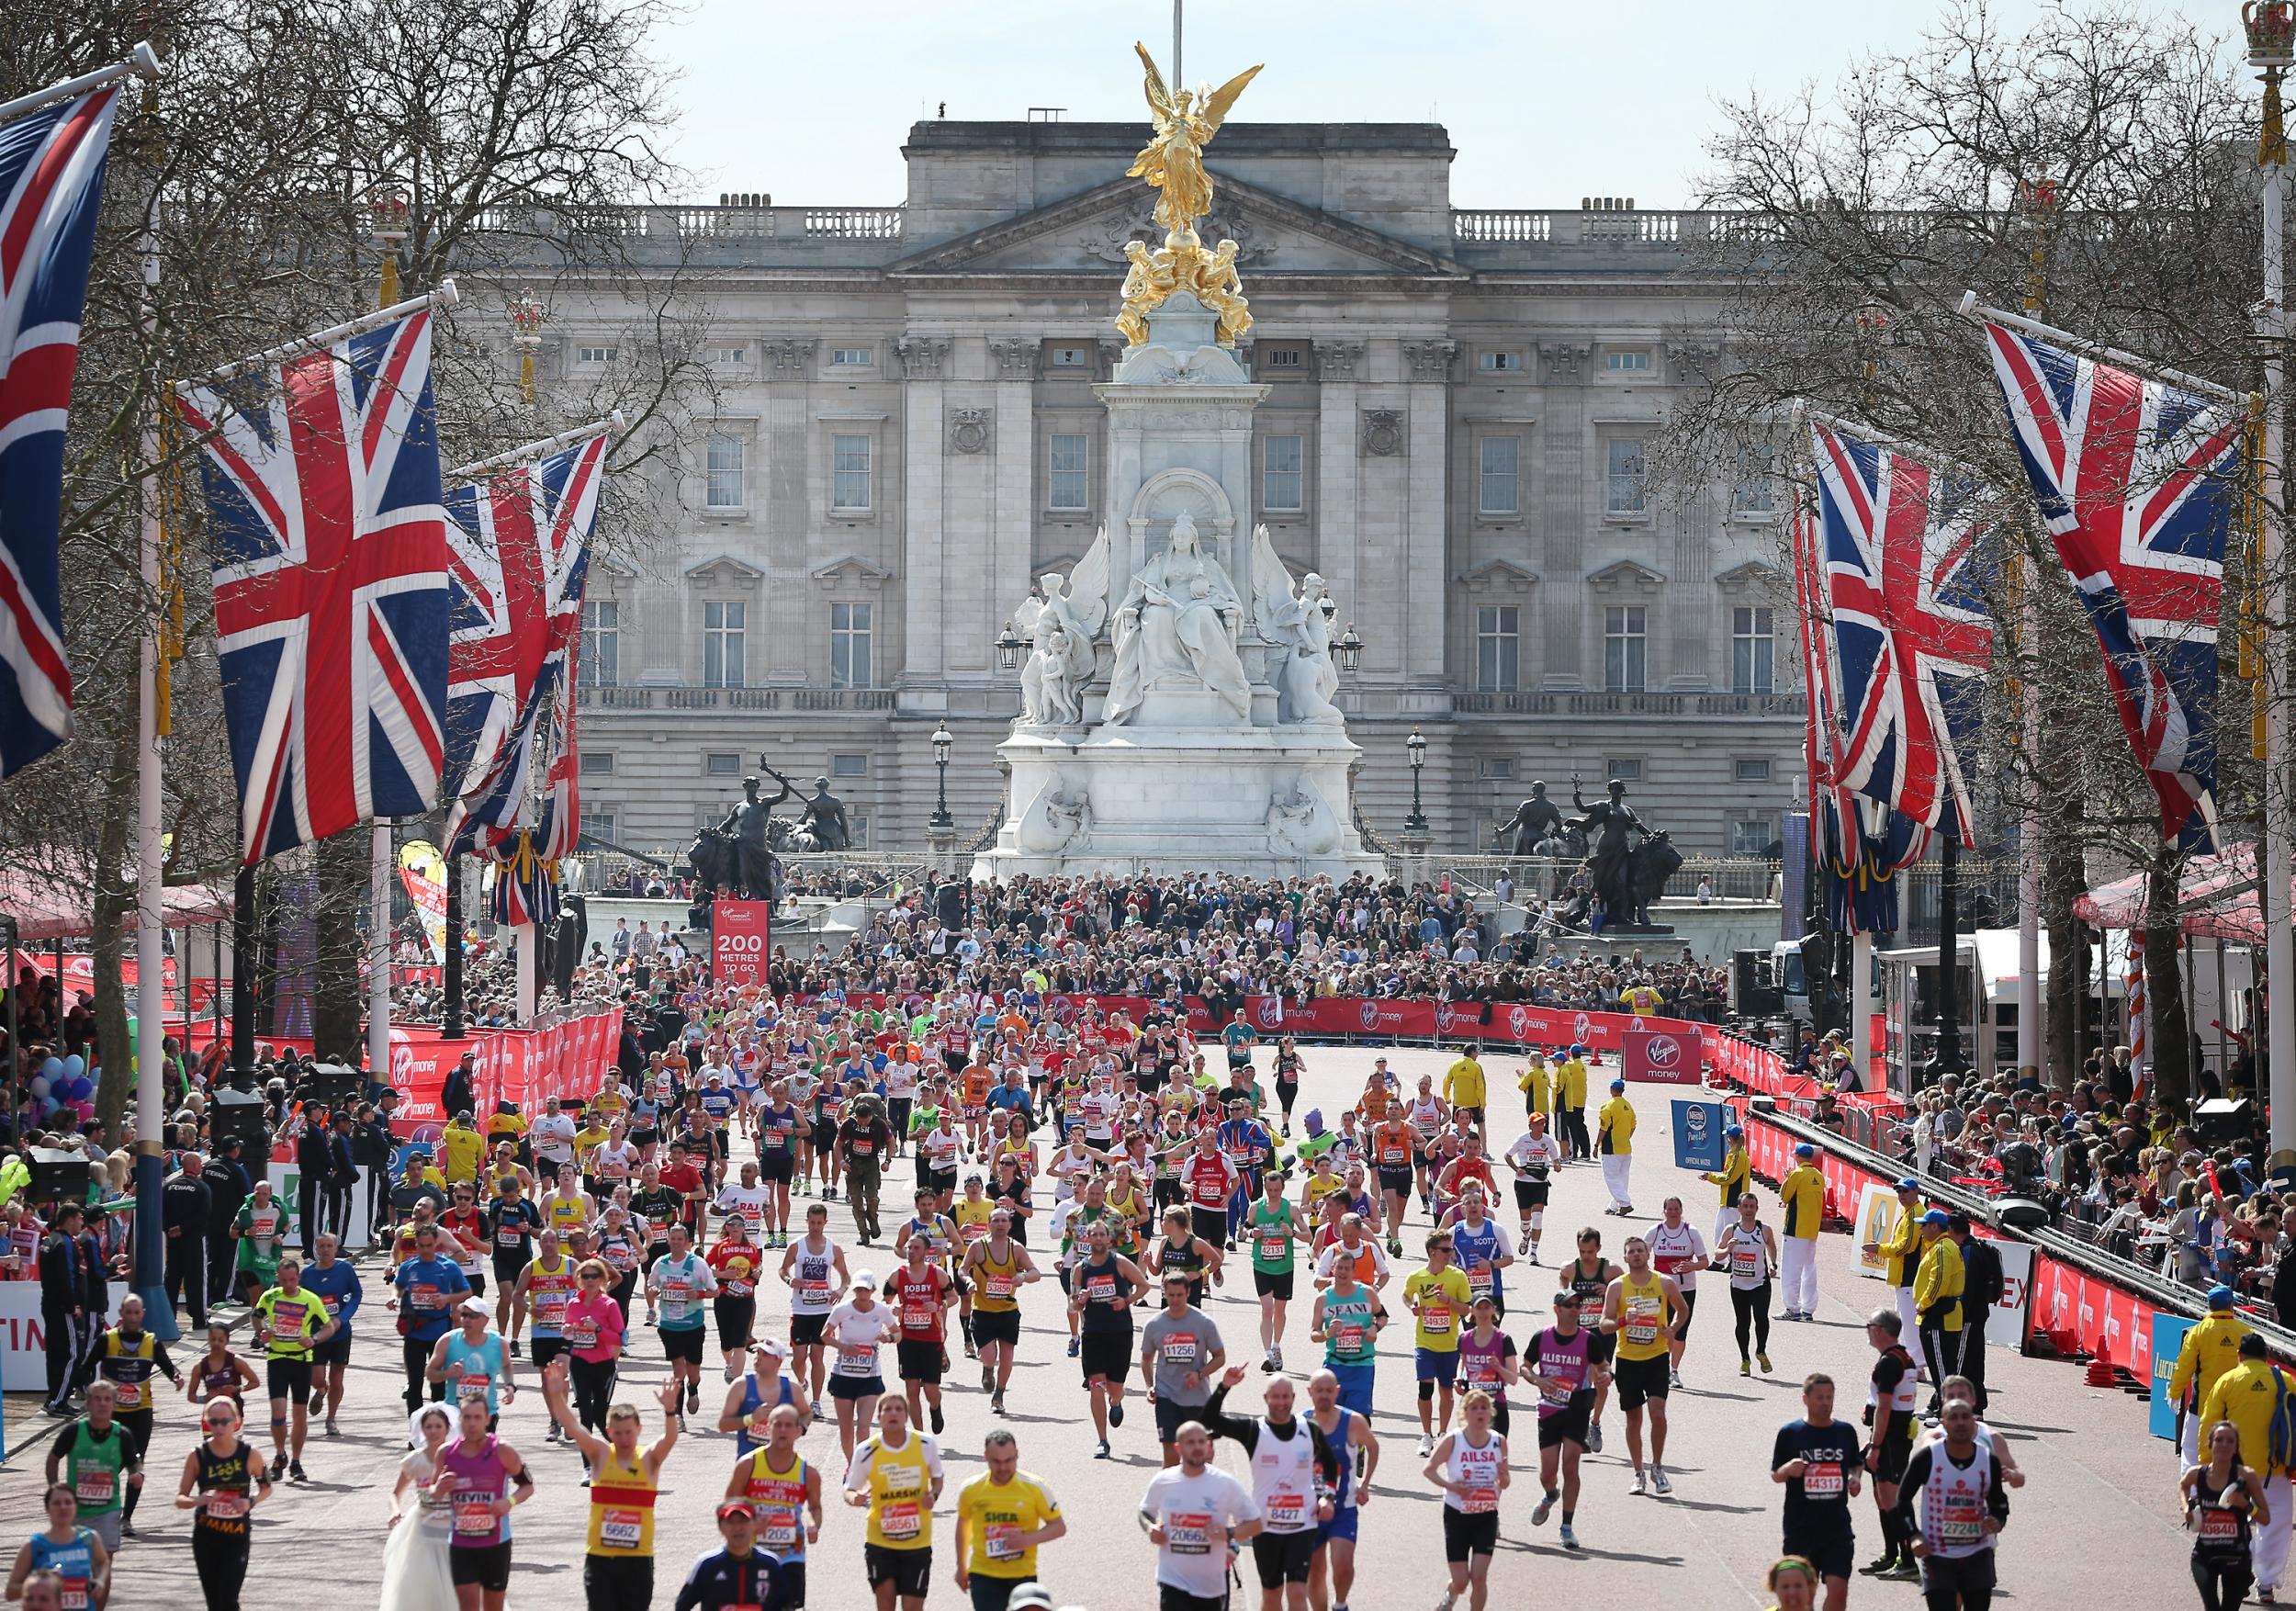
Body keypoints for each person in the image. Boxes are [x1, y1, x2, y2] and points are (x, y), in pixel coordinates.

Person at [541, 1359, 684, 1611]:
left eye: (629, 1432)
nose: (624, 1438)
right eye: (618, 1433)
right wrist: (556, 1395)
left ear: (639, 1430)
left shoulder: (649, 1459)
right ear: (609, 1431)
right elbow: (574, 1427)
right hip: (600, 1559)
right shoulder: (600, 1455)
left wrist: (670, 1411)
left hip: (638, 1559)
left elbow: (670, 1438)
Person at [1200, 1368, 1342, 1611]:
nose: (1281, 1402)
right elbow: (1210, 1420)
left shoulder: (1309, 1430)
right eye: (1275, 1397)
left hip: (1303, 1524)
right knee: (1271, 1593)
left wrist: (1328, 1496)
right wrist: (1224, 1386)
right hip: (1266, 1526)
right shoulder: (1253, 1430)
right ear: (1266, 1399)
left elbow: (1330, 1464)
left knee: (1297, 1590)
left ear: (1294, 1398)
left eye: (1285, 1397)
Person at [2200, 1333, 2295, 1604]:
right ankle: (2266, 1583)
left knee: (2234, 1525)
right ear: (2266, 1356)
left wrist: (2208, 1461)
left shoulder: (2227, 1381)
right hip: (2274, 1469)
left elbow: (2210, 1422)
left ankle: (2237, 1577)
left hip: (2235, 1471)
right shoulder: (2284, 1380)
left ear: (2239, 1356)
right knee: (2276, 1526)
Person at [1891, 1399, 2009, 1611]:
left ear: (1974, 1424)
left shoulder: (1987, 1460)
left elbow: (1999, 1504)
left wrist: (1997, 1520)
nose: (1961, 1423)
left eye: (1966, 1417)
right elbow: (1902, 1499)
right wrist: (1915, 1535)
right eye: (1954, 1418)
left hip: (1978, 1553)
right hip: (1937, 1553)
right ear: (1943, 1424)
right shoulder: (1927, 1458)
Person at [432, 1392, 536, 1611]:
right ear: (459, 1419)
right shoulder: (446, 1453)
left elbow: (527, 1486)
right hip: (462, 1543)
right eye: (467, 1417)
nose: (472, 1423)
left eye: (477, 1417)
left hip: (496, 1543)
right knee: (468, 1606)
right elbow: (430, 1495)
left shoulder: (503, 1450)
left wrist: (509, 1501)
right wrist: (439, 1488)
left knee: (493, 1607)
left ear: (488, 1419)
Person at [1773, 1372, 1865, 1611]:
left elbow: (1856, 1462)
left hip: (1837, 1527)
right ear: (1805, 1399)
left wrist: (1855, 1479)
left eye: (1829, 1397)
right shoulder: (1790, 1434)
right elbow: (1776, 1474)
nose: (1826, 1403)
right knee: (1803, 1598)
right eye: (1820, 1398)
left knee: (1839, 1590)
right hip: (1800, 1527)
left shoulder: (1845, 1432)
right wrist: (1788, 1469)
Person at [844, 1394, 945, 1611]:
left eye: (899, 1409)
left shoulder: (925, 1444)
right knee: (885, 1603)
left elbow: (937, 1477)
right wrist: (855, 1498)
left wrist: (933, 1495)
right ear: (879, 1417)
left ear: (907, 1416)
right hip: (880, 1542)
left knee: (912, 1607)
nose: (893, 1413)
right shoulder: (866, 1451)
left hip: (917, 1542)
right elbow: (850, 1489)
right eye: (887, 1409)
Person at [1601, 1234, 1683, 1495]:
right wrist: (1624, 1321)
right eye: (1631, 1252)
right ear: (1625, 1257)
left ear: (1648, 1254)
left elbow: (1682, 1308)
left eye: (1640, 1251)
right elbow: (1604, 1325)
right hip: (1628, 1359)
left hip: (1657, 1357)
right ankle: (1638, 1473)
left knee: (1658, 1414)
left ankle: (1657, 1467)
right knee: (1633, 1419)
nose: (1636, 1255)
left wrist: (1673, 1328)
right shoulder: (1617, 1286)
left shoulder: (1664, 1283)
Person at [93, 1293, 180, 1535]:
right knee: (110, 1464)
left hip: (141, 1411)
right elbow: (86, 1366)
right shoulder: (107, 1340)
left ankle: (126, 1519)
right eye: (128, 1312)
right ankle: (102, 1510)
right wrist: (92, 1394)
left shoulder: (151, 1342)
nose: (132, 1317)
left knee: (136, 1464)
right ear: (121, 1314)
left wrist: (176, 1377)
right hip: (111, 1414)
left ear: (142, 1314)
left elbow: (167, 1365)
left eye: (136, 1312)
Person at [174, 1394, 270, 1611]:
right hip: (206, 1537)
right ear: (207, 1422)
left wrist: (250, 1502)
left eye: (225, 1421)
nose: (219, 1427)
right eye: (214, 1422)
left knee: (228, 1599)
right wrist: (199, 1500)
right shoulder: (198, 1456)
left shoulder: (250, 1454)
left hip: (236, 1537)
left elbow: (267, 1488)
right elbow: (180, 1498)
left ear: (236, 1422)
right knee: (214, 1602)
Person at [953, 1429, 1065, 1611]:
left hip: (1022, 1576)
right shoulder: (971, 1489)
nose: (1003, 1468)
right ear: (985, 1457)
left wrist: (1027, 1540)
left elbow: (1058, 1527)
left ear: (1017, 1455)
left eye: (1009, 1460)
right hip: (983, 1574)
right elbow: (963, 1526)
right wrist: (960, 1566)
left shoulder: (1035, 1488)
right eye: (996, 1461)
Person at [725, 1401, 822, 1605]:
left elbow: (815, 1506)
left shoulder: (808, 1473)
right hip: (752, 1553)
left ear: (798, 1431)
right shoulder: (748, 1465)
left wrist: (815, 1524)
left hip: (791, 1555)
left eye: (788, 1426)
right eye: (777, 1424)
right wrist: (748, 1525)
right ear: (769, 1427)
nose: (782, 1430)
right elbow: (729, 1505)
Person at [1424, 1387, 1508, 1611]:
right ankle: (1450, 1596)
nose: (1479, 1412)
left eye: (1483, 1408)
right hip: (1457, 1514)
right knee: (1462, 1582)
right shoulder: (1454, 1440)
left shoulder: (1498, 1442)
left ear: (1490, 1413)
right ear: (1465, 1413)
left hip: (1487, 1515)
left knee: (1479, 1578)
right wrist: (1452, 1487)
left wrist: (1503, 1477)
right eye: (1473, 1408)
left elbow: (1505, 1482)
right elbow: (1429, 1470)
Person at [1526, 1290, 1596, 1550]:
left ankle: (1567, 1526)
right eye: (1569, 1306)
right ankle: (1550, 1494)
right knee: (1548, 1473)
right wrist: (1537, 1379)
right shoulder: (1542, 1337)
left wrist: (1604, 1376)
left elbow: (1602, 1368)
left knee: (1571, 1467)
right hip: (1549, 1409)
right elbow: (1525, 1365)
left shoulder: (1589, 1340)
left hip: (1577, 1409)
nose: (1575, 1310)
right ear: (1557, 1309)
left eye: (1578, 1305)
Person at [1070, 1221, 1146, 1459]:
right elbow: (1072, 1304)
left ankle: (1116, 1402)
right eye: (1095, 1235)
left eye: (1103, 1235)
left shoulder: (1120, 1263)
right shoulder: (1080, 1269)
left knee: (1115, 1388)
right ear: (1088, 1239)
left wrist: (1126, 1301)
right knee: (1096, 1385)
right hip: (1093, 1333)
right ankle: (1102, 1440)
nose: (1099, 1239)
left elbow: (1144, 1286)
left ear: (1109, 1239)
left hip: (1120, 1331)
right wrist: (1080, 1300)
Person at [1862, 1309, 1923, 1582]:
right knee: (1883, 1498)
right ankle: (1891, 1554)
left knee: (1893, 1500)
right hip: (1891, 1437)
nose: (1867, 1330)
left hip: (1890, 1442)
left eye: (1869, 1325)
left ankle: (1907, 1560)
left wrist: (1875, 1446)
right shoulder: (1902, 1357)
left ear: (1880, 1330)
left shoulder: (1890, 1362)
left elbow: (1884, 1408)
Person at [2184, 1418, 2271, 1611]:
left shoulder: (2245, 1476)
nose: (2224, 1444)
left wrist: (2246, 1506)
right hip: (2204, 1556)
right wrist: (2186, 1508)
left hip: (2236, 1556)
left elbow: (2266, 1518)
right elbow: (2183, 1485)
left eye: (2230, 1441)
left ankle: (2245, 1579)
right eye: (2219, 1439)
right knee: (2212, 1607)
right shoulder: (2197, 1474)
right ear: (2210, 1444)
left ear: (2236, 1447)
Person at [1140, 1274, 1228, 1465]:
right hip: (1166, 1396)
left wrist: (1200, 1374)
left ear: (1188, 1292)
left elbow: (1220, 1357)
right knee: (1170, 1454)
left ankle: (1201, 1494)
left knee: (1200, 1457)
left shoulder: (1204, 1323)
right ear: (1164, 1293)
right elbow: (1146, 1359)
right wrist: (1149, 1386)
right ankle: (1171, 1493)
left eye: (1180, 1295)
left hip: (1197, 1398)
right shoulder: (1154, 1325)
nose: (1175, 1300)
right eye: (1170, 1295)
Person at [44, 1380, 136, 1556]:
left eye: (107, 1399)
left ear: (114, 1404)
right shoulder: (73, 1431)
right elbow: (53, 1458)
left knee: (104, 1562)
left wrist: (137, 1473)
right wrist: (54, 1489)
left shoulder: (122, 1434)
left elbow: (134, 1462)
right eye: (97, 1399)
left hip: (109, 1508)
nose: (102, 1403)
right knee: (76, 1560)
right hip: (77, 1509)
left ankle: (100, 1584)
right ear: (87, 1403)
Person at [964, 1207, 1040, 1416]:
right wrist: (969, 1280)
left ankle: (998, 1396)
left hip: (1008, 1310)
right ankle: (988, 1369)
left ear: (1009, 1225)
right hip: (982, 1310)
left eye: (1003, 1221)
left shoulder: (1016, 1249)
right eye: (995, 1220)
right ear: (989, 1224)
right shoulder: (978, 1246)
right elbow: (963, 1268)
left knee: (1007, 1358)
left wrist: (1022, 1277)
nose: (999, 1224)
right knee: (989, 1355)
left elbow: (1036, 1273)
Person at [1404, 1230, 1473, 1458]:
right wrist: (1412, 1303)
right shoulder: (1417, 1277)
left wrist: (1449, 1302)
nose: (1450, 1253)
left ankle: (1443, 1434)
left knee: (1446, 1392)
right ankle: (1426, 1434)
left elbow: (1467, 1309)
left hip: (1449, 1345)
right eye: (1445, 1250)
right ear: (1432, 1252)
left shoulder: (1457, 1277)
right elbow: (1406, 1295)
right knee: (1425, 1388)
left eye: (1451, 1249)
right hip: (1425, 1343)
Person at [393, 1221, 472, 1414]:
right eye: (422, 1246)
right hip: (415, 1331)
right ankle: (415, 1432)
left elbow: (466, 1292)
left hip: (439, 1333)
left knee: (438, 1385)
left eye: (430, 1245)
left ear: (436, 1244)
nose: (426, 1250)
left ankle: (440, 1429)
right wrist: (394, 1297)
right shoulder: (408, 1267)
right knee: (414, 1384)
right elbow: (398, 1284)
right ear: (416, 1245)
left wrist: (447, 1298)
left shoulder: (448, 1266)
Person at [2170, 1286, 2254, 1469]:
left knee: (2191, 1450)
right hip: (2235, 1407)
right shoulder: (2245, 1332)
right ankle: (2231, 1493)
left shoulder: (2198, 1332)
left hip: (2201, 1405)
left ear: (2210, 1306)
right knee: (2236, 1454)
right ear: (2231, 1305)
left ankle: (2193, 1493)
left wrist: (2175, 1393)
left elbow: (2184, 1367)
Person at [383, 1404, 456, 1611]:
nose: (433, 1431)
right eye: (429, 1427)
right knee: (424, 1589)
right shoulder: (415, 1461)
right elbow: (394, 1493)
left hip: (453, 1530)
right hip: (423, 1531)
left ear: (448, 1429)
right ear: (422, 1430)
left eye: (438, 1426)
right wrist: (395, 1510)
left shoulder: (457, 1458)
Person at [781, 1201, 851, 1411]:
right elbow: (783, 1269)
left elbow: (846, 1277)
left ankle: (816, 1401)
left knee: (817, 1356)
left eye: (819, 1223)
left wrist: (840, 1291)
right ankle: (802, 1382)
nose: (815, 1227)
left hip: (823, 1311)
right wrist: (790, 1280)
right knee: (799, 1359)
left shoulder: (833, 1248)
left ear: (825, 1223)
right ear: (807, 1222)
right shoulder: (797, 1246)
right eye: (812, 1223)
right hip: (801, 1310)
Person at [885, 1235, 957, 1435]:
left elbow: (954, 1298)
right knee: (911, 1389)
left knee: (931, 1392)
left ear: (926, 1252)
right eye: (909, 1248)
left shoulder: (937, 1273)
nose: (911, 1252)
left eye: (916, 1248)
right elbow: (884, 1301)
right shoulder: (897, 1275)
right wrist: (894, 1307)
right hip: (907, 1339)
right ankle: (920, 1436)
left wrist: (939, 1305)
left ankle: (936, 1408)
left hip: (931, 1338)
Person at [827, 1269, 900, 1459]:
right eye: (858, 1290)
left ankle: (861, 1465)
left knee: (864, 1427)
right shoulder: (842, 1310)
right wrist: (842, 1347)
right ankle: (851, 1465)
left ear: (873, 1290)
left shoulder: (881, 1311)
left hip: (870, 1376)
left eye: (865, 1290)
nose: (861, 1294)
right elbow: (824, 1335)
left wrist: (888, 1337)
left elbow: (898, 1333)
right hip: (843, 1375)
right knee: (846, 1428)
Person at [650, 1221, 720, 1420]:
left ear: (688, 1242)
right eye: (673, 1239)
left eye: (680, 1239)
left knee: (693, 1372)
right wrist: (654, 1290)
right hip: (669, 1325)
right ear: (668, 1240)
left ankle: (694, 1388)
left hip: (693, 1324)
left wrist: (697, 1294)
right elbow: (650, 1284)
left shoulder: (697, 1264)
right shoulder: (661, 1263)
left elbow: (715, 1292)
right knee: (678, 1370)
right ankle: (678, 1415)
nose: (676, 1243)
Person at [38, 1202, 102, 1415]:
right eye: (79, 1218)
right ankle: (58, 1401)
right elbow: (67, 1276)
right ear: (70, 1219)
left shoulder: (49, 1240)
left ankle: (53, 1398)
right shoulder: (64, 1243)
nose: (82, 1222)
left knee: (55, 1355)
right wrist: (72, 1304)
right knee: (73, 1354)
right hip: (64, 1309)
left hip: (51, 1305)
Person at [1245, 1167, 1310, 1373]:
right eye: (1269, 1190)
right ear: (1264, 1188)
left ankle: (1276, 1346)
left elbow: (1308, 1236)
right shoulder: (1255, 1207)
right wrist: (1251, 1233)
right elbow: (1242, 1231)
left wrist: (1292, 1233)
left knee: (1280, 1311)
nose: (1273, 1193)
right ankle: (1267, 1354)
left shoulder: (1290, 1209)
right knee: (1267, 1309)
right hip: (1262, 1264)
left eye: (1276, 1190)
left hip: (1284, 1265)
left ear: (1282, 1189)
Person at [1308, 1253, 1386, 1420]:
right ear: (1332, 1270)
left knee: (1360, 1418)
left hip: (1362, 1365)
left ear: (1353, 1271)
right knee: (1330, 1417)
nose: (1342, 1272)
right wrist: (1329, 1333)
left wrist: (1374, 1328)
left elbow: (1382, 1316)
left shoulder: (1367, 1293)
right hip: (1334, 1364)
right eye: (1339, 1268)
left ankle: (1358, 1447)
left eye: (1347, 1269)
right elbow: (1314, 1334)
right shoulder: (1323, 1299)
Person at [7, 1485, 109, 1611]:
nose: (63, 1507)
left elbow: (103, 1562)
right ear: (47, 1509)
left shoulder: (89, 1538)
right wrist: (41, 1583)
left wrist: (100, 1580)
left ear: (75, 1507)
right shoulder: (34, 1546)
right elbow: (10, 1592)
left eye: (68, 1502)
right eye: (56, 1503)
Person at [300, 1233, 363, 1436]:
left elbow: (357, 1294)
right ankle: (320, 1390)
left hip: (340, 1331)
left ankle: (331, 1418)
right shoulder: (307, 1274)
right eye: (322, 1246)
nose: (326, 1250)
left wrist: (342, 1318)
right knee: (316, 1377)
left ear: (336, 1249)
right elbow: (300, 1300)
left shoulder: (345, 1269)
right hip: (316, 1332)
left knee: (337, 1376)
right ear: (316, 1249)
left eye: (330, 1246)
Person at [673, 1500, 787, 1611]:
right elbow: (683, 1605)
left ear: (755, 1525)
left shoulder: (770, 1563)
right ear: (721, 1528)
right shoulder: (707, 1564)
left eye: (743, 1521)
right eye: (731, 1522)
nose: (737, 1528)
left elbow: (784, 1604)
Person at [1644, 1197, 1707, 1384]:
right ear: (1664, 1211)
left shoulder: (1691, 1232)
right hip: (1661, 1290)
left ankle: (1674, 1370)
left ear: (1681, 1210)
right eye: (1669, 1209)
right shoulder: (1655, 1231)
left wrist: (1692, 1266)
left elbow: (1705, 1261)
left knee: (1680, 1332)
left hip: (1685, 1289)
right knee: (1661, 1329)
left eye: (1676, 1209)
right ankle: (1659, 1368)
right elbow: (1638, 1255)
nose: (1673, 1212)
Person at [429, 1297, 515, 1432]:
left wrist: (510, 1385)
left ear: (486, 1320)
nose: (467, 1320)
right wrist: (447, 1373)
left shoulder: (499, 1343)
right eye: (464, 1315)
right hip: (455, 1414)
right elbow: (430, 1373)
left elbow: (506, 1365)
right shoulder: (447, 1341)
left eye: (473, 1316)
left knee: (483, 1453)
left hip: (486, 1415)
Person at [1912, 1209, 1965, 1413]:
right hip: (1943, 1315)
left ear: (1935, 1226)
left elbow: (1938, 1281)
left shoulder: (1942, 1248)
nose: (1921, 1229)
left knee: (1942, 1369)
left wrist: (1923, 1304)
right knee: (1942, 1367)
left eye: (1924, 1225)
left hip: (1939, 1316)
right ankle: (1938, 1406)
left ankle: (1946, 1412)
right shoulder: (1943, 1246)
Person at [1722, 1192, 1781, 1376]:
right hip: (1739, 1285)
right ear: (1739, 1209)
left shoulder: (1764, 1229)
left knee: (1761, 1319)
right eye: (1745, 1206)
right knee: (1743, 1323)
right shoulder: (1731, 1230)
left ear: (1756, 1208)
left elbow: (1771, 1247)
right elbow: (1717, 1254)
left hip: (1760, 1283)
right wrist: (1727, 1249)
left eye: (1752, 1206)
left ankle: (1761, 1351)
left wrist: (1773, 1264)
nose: (1749, 1210)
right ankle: (1745, 1359)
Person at [1948, 1214, 2001, 1414]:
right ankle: (1977, 1407)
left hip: (1968, 1317)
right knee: (1974, 1362)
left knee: (1959, 1364)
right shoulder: (1974, 1248)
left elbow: (1966, 1289)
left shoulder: (1969, 1252)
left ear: (1952, 1230)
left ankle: (1946, 1405)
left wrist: (1958, 1315)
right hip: (1976, 1315)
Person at [1503, 1113, 1562, 1265]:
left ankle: (1533, 1253)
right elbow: (1507, 1156)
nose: (1539, 1127)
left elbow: (1556, 1158)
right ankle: (1526, 1236)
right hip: (1523, 1183)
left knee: (1537, 1217)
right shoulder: (1522, 1139)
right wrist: (1517, 1169)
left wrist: (1557, 1165)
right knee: (1525, 1222)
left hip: (1540, 1183)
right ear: (1530, 1126)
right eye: (1536, 1124)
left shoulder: (1548, 1140)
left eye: (1542, 1124)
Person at [1777, 1143, 1826, 1321]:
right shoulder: (1819, 1176)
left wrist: (1787, 1178)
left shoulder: (1797, 1174)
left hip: (1795, 1229)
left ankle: (1792, 1308)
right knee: (1808, 1270)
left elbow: (1784, 1196)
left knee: (1790, 1270)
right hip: (1811, 1230)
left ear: (1798, 1156)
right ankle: (1808, 1309)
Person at [1596, 1079, 1636, 1215]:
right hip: (1625, 1148)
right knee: (1622, 1179)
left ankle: (1625, 1203)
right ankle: (1614, 1205)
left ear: (1611, 1089)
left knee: (1611, 1177)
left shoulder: (1608, 1106)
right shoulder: (1628, 1105)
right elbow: (1633, 1125)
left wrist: (1596, 1145)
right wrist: (1626, 1138)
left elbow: (1603, 1128)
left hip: (1611, 1148)